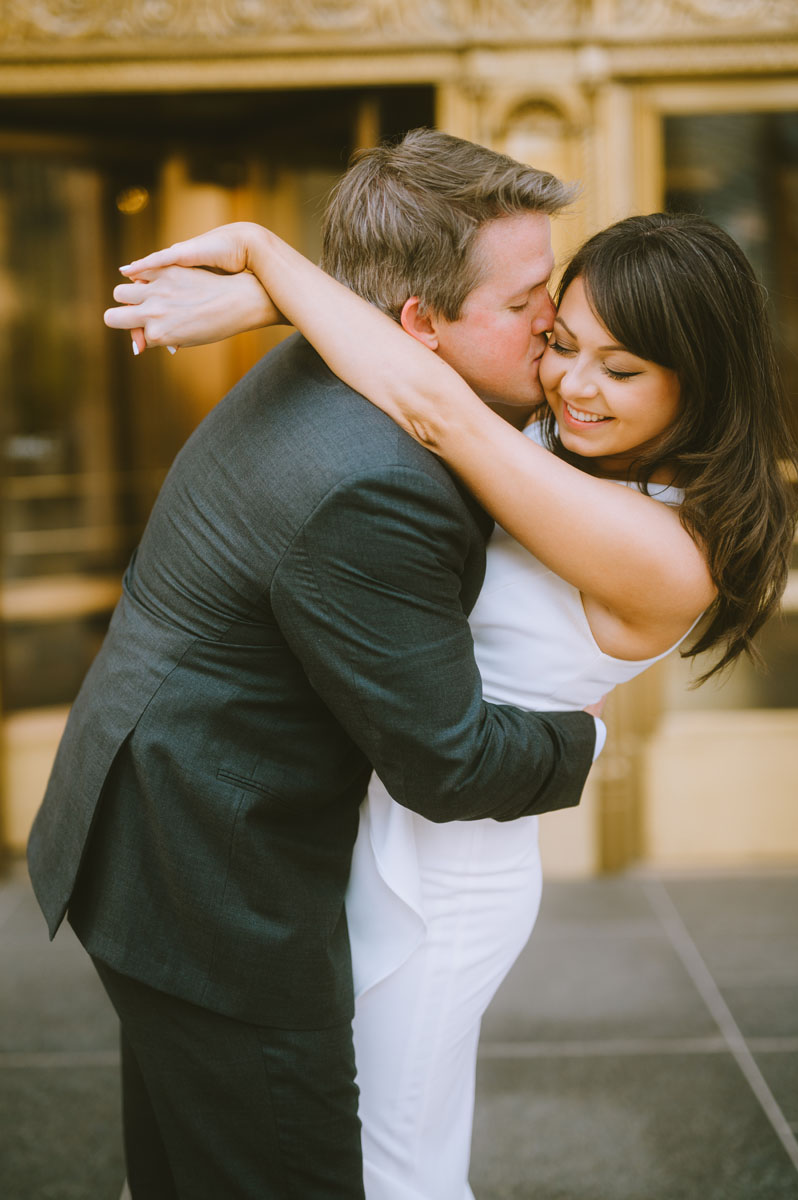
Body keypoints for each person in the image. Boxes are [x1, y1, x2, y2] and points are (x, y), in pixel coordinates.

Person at [107, 202, 798, 1199]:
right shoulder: (575, 455)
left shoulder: (662, 551)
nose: (570, 385)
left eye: (623, 369)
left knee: (396, 1174)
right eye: (563, 342)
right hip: (376, 833)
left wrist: (266, 258)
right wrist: (271, 300)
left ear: (700, 383)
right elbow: (415, 368)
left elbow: (430, 407)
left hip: (441, 881)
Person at [26, 130, 602, 1200]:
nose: (556, 324)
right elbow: (451, 764)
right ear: (418, 324)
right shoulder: (369, 486)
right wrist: (584, 737)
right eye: (529, 304)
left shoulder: (348, 352)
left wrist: (271, 291)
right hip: (206, 875)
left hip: (156, 823)